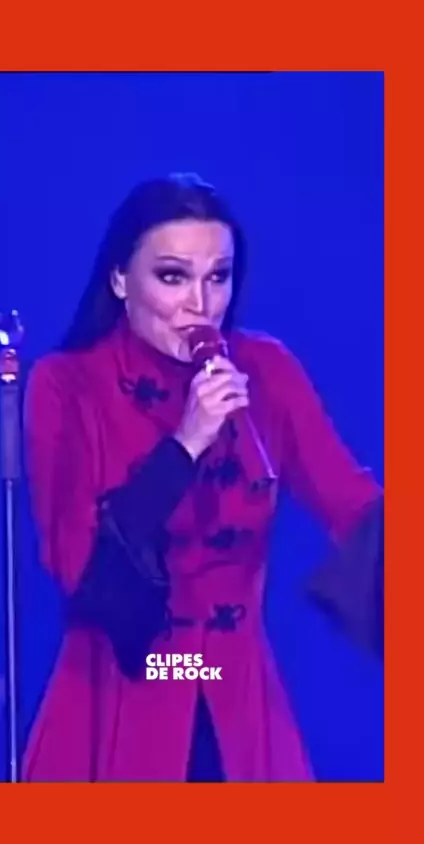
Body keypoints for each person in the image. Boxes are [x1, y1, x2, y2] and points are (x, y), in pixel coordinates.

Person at [22, 173, 383, 783]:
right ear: (120, 280)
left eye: (218, 277)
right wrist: (185, 444)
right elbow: (77, 565)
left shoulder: (265, 369)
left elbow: (352, 501)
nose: (201, 303)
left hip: (239, 698)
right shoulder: (66, 385)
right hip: (121, 695)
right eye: (173, 277)